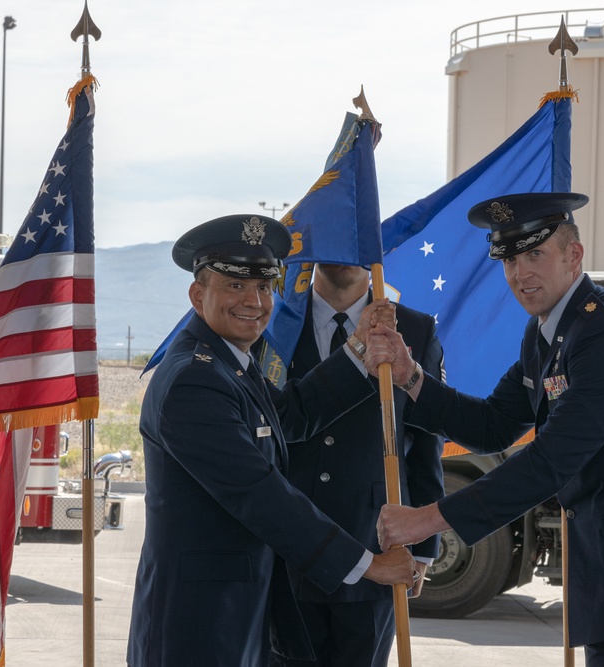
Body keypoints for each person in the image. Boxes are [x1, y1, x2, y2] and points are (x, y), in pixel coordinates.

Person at [374, 193, 604, 666]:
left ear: (573, 255)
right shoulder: (546, 333)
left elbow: (553, 459)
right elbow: (493, 425)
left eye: (534, 255)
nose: (520, 273)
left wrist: (429, 519)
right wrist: (411, 377)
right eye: (509, 260)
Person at [127, 214, 417, 667]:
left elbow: (291, 415)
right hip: (198, 626)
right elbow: (259, 492)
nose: (254, 301)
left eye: (263, 287)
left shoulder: (233, 366)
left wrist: (359, 346)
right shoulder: (193, 381)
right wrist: (366, 564)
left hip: (237, 617)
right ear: (198, 294)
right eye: (235, 286)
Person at [266, 263, 445, 667]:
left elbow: (424, 441)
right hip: (288, 550)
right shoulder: (276, 322)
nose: (344, 254)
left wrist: (423, 549)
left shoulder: (415, 329)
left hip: (377, 543)